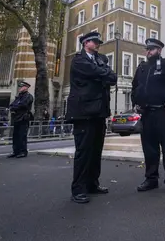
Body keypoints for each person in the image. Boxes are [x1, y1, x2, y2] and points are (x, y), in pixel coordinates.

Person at [65, 31, 117, 204]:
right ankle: (78, 189)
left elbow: (112, 77)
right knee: (84, 152)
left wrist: (102, 74)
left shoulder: (101, 59)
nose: (98, 44)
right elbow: (98, 73)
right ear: (86, 42)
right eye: (95, 41)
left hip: (100, 111)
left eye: (98, 42)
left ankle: (92, 184)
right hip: (83, 112)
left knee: (96, 151)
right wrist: (102, 74)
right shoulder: (79, 60)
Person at [132, 38, 165, 194]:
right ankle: (151, 179)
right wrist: (136, 102)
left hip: (164, 113)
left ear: (159, 50)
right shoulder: (142, 68)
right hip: (147, 114)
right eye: (147, 49)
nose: (148, 52)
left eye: (152, 49)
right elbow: (135, 87)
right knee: (149, 149)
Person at [8, 81, 34, 158]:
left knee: (22, 135)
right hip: (17, 118)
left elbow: (23, 105)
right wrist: (16, 106)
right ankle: (16, 151)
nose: (20, 88)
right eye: (19, 87)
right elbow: (12, 105)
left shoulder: (28, 96)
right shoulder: (19, 96)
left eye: (21, 87)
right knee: (15, 135)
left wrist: (16, 106)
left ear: (26, 88)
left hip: (23, 118)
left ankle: (23, 151)